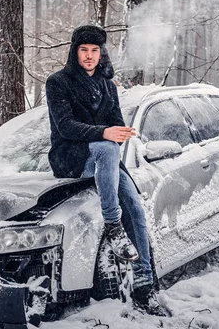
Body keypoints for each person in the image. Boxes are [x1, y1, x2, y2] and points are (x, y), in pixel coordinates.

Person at [45, 25, 166, 316]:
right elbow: (66, 127)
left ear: (101, 53)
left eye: (95, 50)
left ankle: (144, 286)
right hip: (69, 156)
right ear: (75, 52)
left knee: (135, 208)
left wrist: (121, 132)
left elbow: (117, 125)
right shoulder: (58, 82)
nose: (89, 56)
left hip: (106, 158)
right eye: (84, 50)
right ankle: (113, 225)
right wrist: (106, 133)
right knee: (105, 145)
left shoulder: (107, 85)